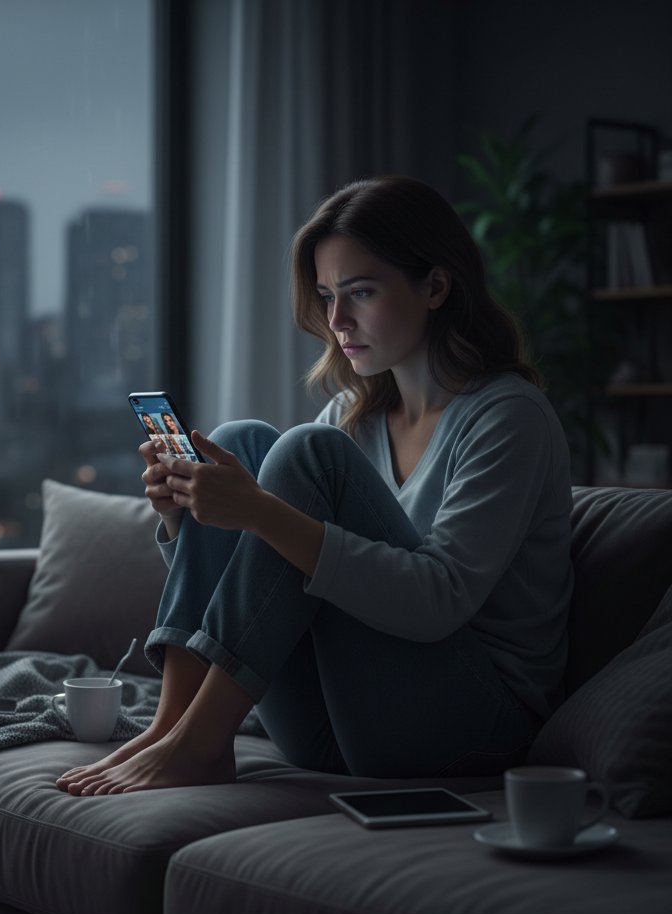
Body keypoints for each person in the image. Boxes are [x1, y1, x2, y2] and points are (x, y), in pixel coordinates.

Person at [57, 175, 573, 797]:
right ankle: (175, 726)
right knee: (246, 440)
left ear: (435, 286)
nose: (336, 320)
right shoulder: (353, 418)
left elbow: (438, 600)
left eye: (360, 292)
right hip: (339, 724)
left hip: (469, 728)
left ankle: (197, 742)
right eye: (327, 296)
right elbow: (267, 578)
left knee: (301, 453)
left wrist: (256, 512)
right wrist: (186, 518)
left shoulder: (508, 416)